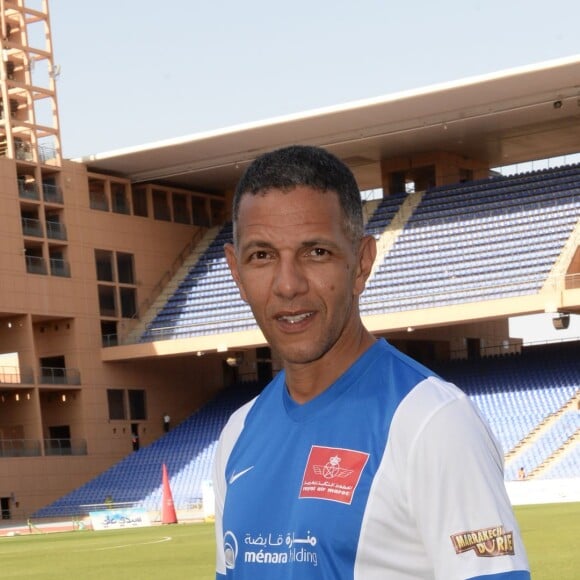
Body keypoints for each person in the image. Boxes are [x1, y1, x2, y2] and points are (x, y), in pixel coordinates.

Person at [213, 145, 530, 579]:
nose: (287, 285)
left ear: (361, 263)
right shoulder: (237, 435)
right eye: (262, 256)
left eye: (316, 252)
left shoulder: (431, 422)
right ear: (236, 272)